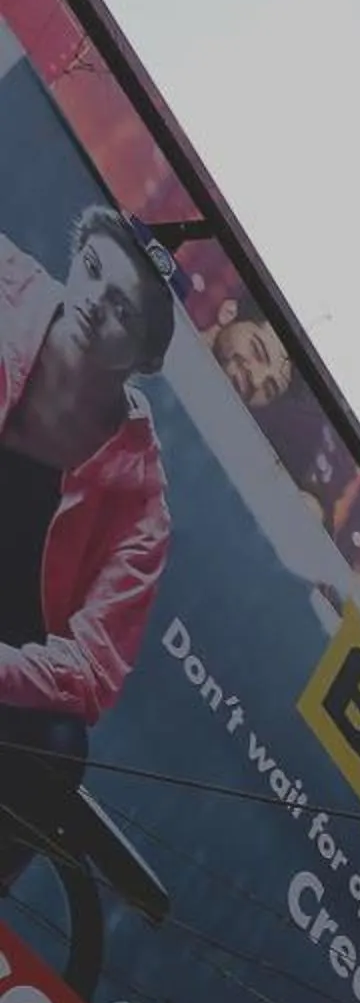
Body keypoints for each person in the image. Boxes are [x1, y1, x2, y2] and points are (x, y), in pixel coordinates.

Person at [0, 203, 176, 891]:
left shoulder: (143, 504)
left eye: (122, 311)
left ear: (146, 358)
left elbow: (92, 670)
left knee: (58, 745)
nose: (95, 303)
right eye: (93, 269)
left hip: (7, 664)